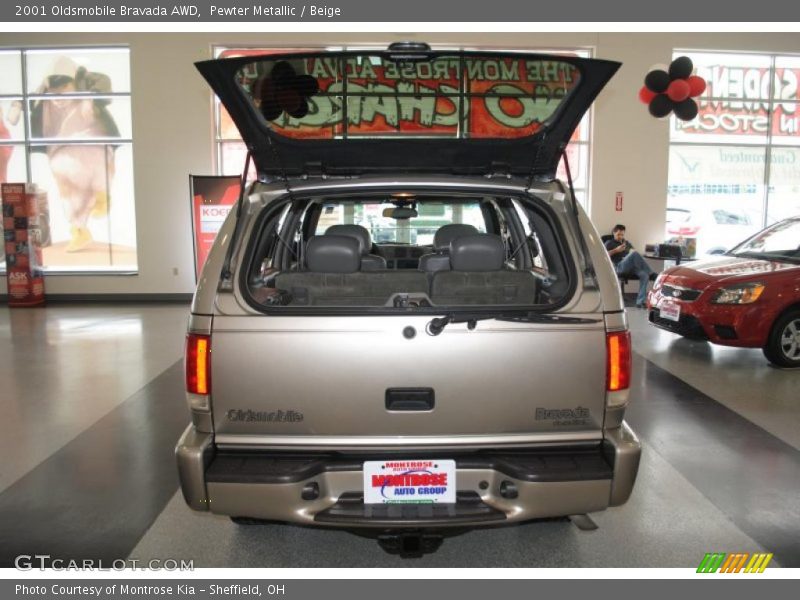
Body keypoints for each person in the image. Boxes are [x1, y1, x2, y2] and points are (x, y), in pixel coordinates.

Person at [605, 224, 655, 308]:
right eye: (618, 234)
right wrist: (616, 250)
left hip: (631, 267)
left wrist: (630, 253)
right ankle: (651, 273)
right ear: (614, 233)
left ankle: (640, 302)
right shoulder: (609, 243)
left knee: (644, 275)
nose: (620, 236)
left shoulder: (626, 243)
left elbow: (633, 252)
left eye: (622, 235)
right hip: (619, 266)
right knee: (635, 254)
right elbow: (603, 255)